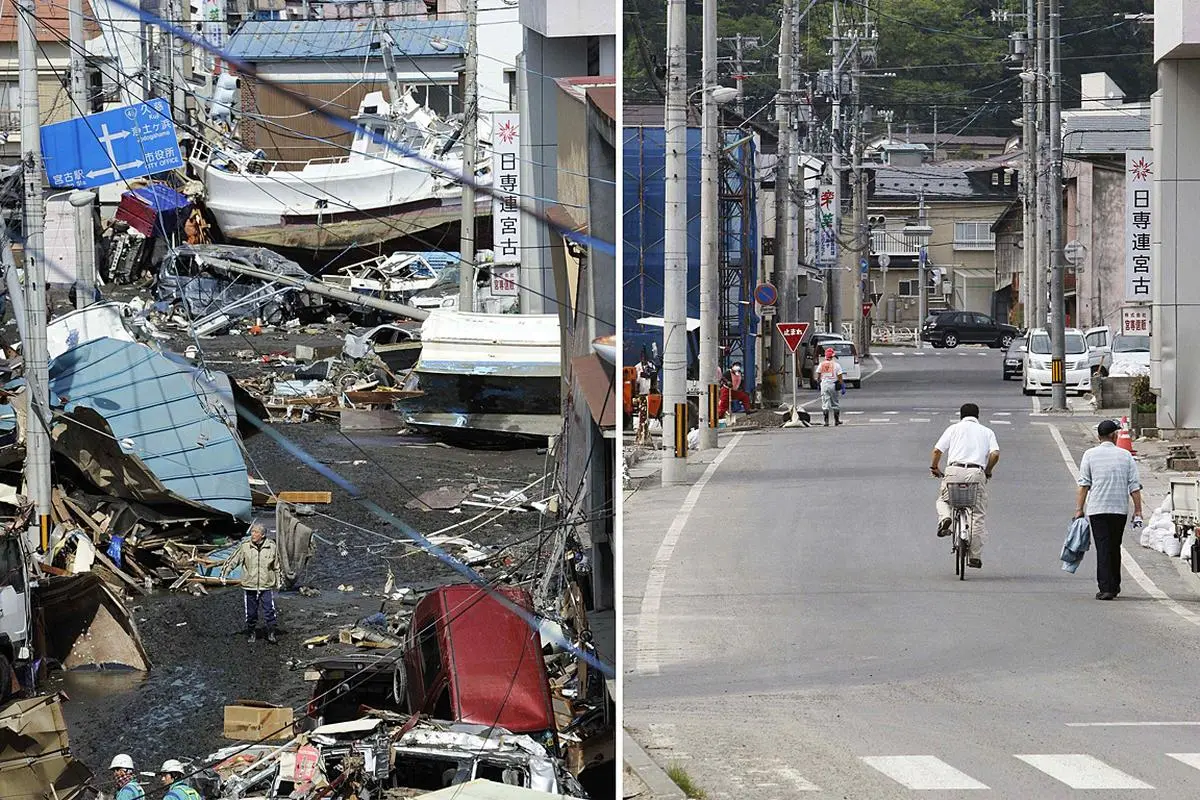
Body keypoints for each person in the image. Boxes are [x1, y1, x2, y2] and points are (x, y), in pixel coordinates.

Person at [1075, 420, 1143, 600]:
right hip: (1119, 509)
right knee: (1114, 546)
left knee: (1103, 547)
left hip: (1097, 509)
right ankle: (1114, 585)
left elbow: (1084, 485)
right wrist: (1138, 511)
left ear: (1099, 436)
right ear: (1114, 436)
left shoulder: (1089, 455)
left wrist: (1079, 509)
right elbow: (1134, 487)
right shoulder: (1126, 455)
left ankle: (1106, 588)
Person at [930, 403, 1000, 569]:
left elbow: (937, 451)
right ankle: (974, 556)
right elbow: (995, 453)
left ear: (961, 416)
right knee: (977, 513)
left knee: (943, 500)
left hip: (954, 470)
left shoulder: (953, 429)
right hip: (976, 473)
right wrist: (988, 470)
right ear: (977, 416)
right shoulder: (987, 431)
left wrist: (934, 467)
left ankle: (945, 518)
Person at [221, 523, 281, 643]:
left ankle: (271, 633)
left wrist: (279, 582)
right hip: (250, 584)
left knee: (269, 610)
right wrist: (224, 574)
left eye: (256, 532)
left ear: (262, 535)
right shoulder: (245, 546)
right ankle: (251, 632)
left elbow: (277, 566)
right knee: (251, 612)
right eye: (252, 532)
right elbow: (233, 560)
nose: (253, 534)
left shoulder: (272, 547)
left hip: (266, 584)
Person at [814, 348, 845, 426]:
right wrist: (842, 385)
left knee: (825, 402)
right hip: (833, 385)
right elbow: (840, 376)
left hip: (824, 384)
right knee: (835, 402)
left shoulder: (821, 364)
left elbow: (818, 375)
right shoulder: (836, 365)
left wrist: (818, 383)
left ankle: (826, 421)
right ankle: (836, 420)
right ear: (832, 356)